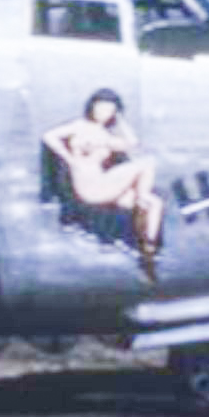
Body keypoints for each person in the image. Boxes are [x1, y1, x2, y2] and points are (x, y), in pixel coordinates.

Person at [42, 88, 166, 280]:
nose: (104, 113)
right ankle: (142, 197)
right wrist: (68, 157)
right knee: (147, 163)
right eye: (101, 108)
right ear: (92, 107)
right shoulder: (79, 126)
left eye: (110, 110)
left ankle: (147, 251)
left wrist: (121, 120)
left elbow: (132, 143)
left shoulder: (107, 136)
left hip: (104, 186)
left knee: (155, 204)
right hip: (90, 187)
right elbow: (49, 136)